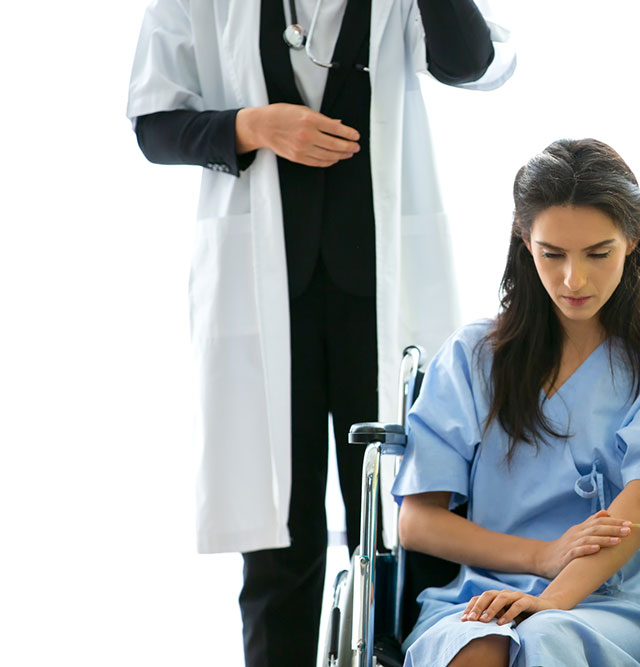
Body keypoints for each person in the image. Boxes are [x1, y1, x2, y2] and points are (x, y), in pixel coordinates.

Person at [126, 1, 515, 665]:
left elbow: (472, 60)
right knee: (280, 546)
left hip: (385, 298)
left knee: (407, 536)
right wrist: (251, 126)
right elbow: (154, 122)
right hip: (264, 297)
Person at [392, 138, 640, 667]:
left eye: (597, 254)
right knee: (479, 644)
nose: (573, 279)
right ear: (525, 239)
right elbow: (418, 522)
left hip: (625, 599)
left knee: (546, 640)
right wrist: (540, 558)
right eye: (552, 254)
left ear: (632, 240)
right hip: (482, 592)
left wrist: (549, 600)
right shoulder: (473, 357)